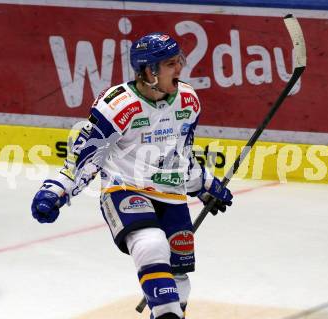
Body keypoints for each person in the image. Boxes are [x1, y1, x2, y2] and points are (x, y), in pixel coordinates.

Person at [31, 32, 233, 319]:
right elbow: (86, 158)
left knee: (180, 284)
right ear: (150, 71)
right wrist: (57, 189)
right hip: (125, 189)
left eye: (179, 61)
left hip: (171, 195)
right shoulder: (117, 106)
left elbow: (180, 156)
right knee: (151, 245)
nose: (180, 69)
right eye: (171, 64)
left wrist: (204, 184)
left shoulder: (188, 100)